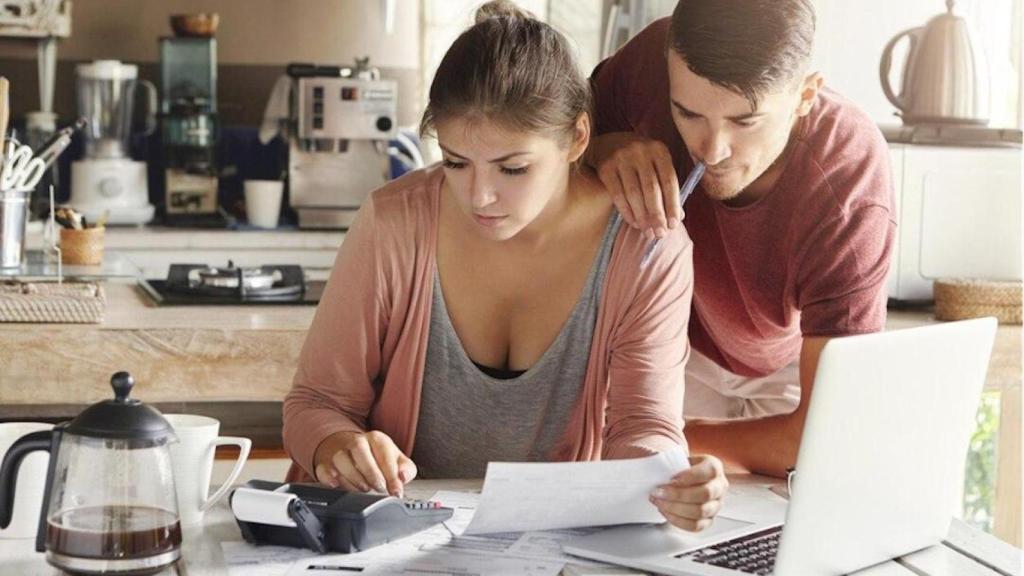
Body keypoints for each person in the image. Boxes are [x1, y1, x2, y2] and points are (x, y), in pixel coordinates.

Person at [283, 1, 728, 532]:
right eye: (455, 162)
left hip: (549, 541)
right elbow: (315, 403)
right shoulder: (393, 222)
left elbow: (644, 423)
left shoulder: (646, 248)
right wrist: (340, 444)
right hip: (384, 538)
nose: (480, 196)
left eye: (512, 167)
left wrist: (666, 481)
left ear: (578, 139)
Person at [586, 0, 896, 477]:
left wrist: (656, 437)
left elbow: (825, 435)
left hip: (790, 370)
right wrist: (603, 148)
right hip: (668, 344)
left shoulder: (849, 181)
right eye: (687, 114)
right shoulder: (653, 58)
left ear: (806, 95)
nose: (711, 150)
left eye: (744, 121)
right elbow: (556, 136)